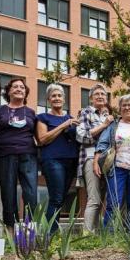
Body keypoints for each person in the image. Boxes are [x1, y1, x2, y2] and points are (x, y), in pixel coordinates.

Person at [94, 94, 130, 227]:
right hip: (118, 168)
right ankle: (108, 235)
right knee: (114, 202)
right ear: (120, 108)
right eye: (124, 105)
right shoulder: (114, 126)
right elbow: (102, 144)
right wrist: (96, 161)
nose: (127, 108)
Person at [0, 78, 37, 232]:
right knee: (8, 192)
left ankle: (28, 230)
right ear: (9, 91)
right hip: (6, 155)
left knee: (31, 193)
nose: (19, 89)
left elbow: (38, 136)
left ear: (25, 92)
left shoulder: (31, 112)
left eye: (22, 87)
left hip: (28, 155)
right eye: (15, 87)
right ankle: (10, 231)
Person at [36, 84, 80, 233]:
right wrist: (63, 125)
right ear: (48, 100)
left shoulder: (71, 119)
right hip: (53, 161)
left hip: (71, 162)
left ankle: (51, 232)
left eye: (59, 96)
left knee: (60, 199)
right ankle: (49, 234)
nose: (57, 98)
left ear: (64, 99)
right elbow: (42, 139)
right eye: (53, 96)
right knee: (56, 198)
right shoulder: (43, 118)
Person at [76, 83, 114, 233]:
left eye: (103, 94)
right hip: (91, 158)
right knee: (94, 199)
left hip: (108, 162)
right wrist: (104, 125)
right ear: (91, 98)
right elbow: (82, 136)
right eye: (97, 94)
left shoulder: (108, 116)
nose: (100, 96)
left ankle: (96, 236)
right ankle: (86, 235)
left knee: (102, 200)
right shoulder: (86, 113)